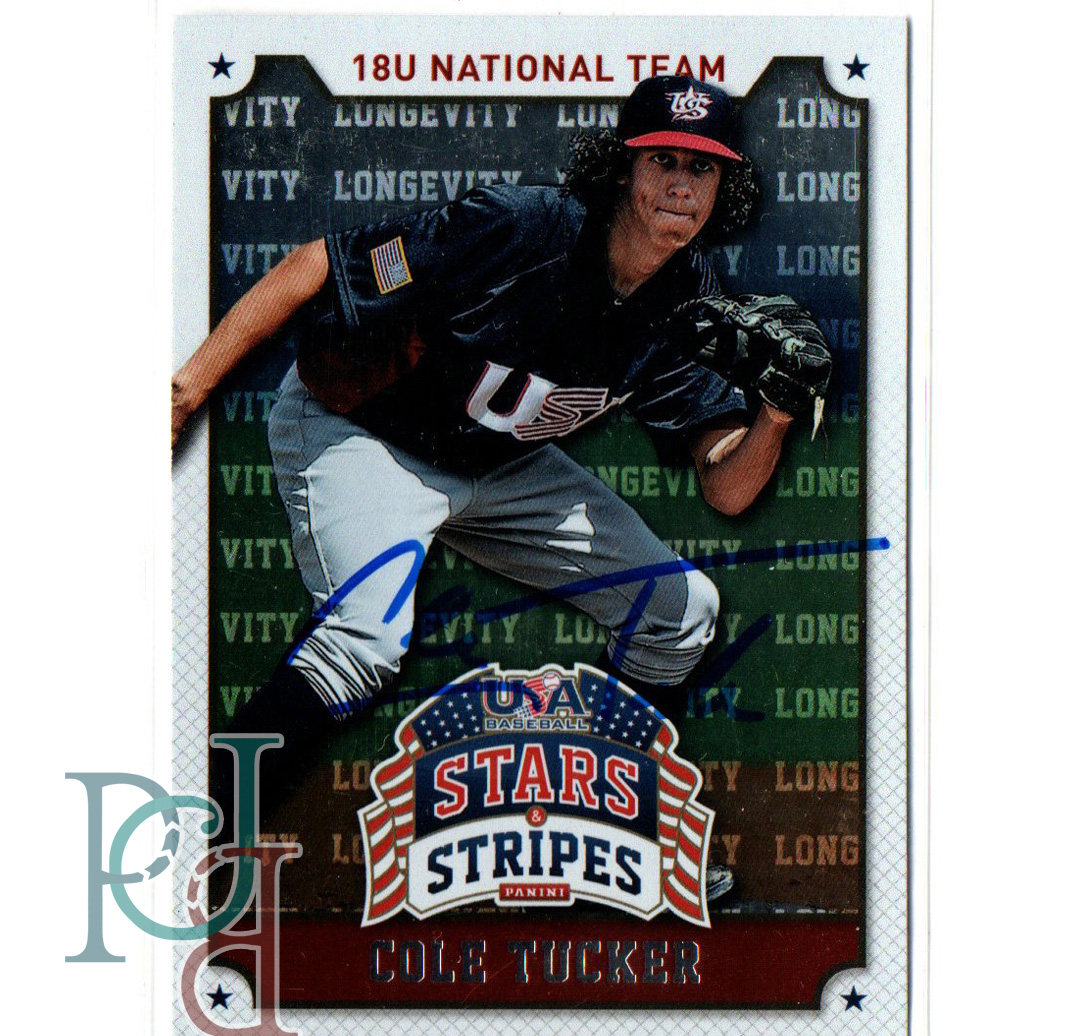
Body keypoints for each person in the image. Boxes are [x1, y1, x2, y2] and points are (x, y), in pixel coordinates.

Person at [171, 76, 830, 847]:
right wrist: (186, 392)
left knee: (680, 612)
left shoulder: (689, 304)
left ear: (725, 187)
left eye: (703, 167)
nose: (682, 184)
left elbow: (727, 487)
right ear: (623, 169)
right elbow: (317, 264)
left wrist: (775, 412)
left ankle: (597, 821)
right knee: (363, 641)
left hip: (496, 463)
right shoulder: (522, 225)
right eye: (663, 161)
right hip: (365, 434)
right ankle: (194, 842)